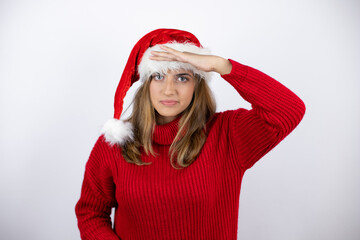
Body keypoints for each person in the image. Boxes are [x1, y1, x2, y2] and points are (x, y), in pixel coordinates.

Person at [75, 28, 306, 240]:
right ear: (146, 84)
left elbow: (288, 110)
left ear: (197, 83)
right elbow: (91, 212)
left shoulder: (228, 134)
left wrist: (220, 65)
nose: (169, 89)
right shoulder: (115, 143)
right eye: (158, 76)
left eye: (182, 77)